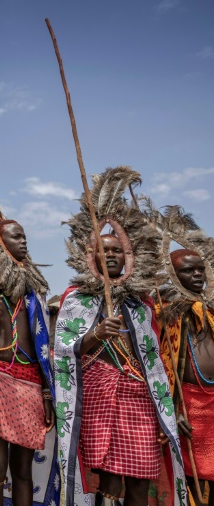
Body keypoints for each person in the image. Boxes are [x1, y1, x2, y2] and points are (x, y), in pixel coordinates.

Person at [54, 167, 185, 506]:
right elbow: (65, 353)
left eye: (116, 250)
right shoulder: (76, 298)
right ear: (91, 255)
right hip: (99, 393)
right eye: (104, 249)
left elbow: (153, 362)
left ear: (128, 256)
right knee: (110, 481)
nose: (110, 254)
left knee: (141, 480)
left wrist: (162, 411)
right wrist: (96, 333)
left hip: (140, 396)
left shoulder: (141, 305)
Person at [0, 218, 56, 506]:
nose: (23, 242)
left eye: (24, 238)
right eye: (16, 237)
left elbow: (44, 344)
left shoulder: (34, 289)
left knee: (22, 470)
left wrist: (47, 393)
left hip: (30, 383)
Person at [155, 206, 214, 504]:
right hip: (186, 408)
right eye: (188, 271)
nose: (197, 276)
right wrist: (172, 412)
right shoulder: (163, 315)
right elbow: (156, 367)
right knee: (189, 481)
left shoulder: (212, 313)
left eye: (200, 269)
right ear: (173, 275)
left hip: (213, 408)